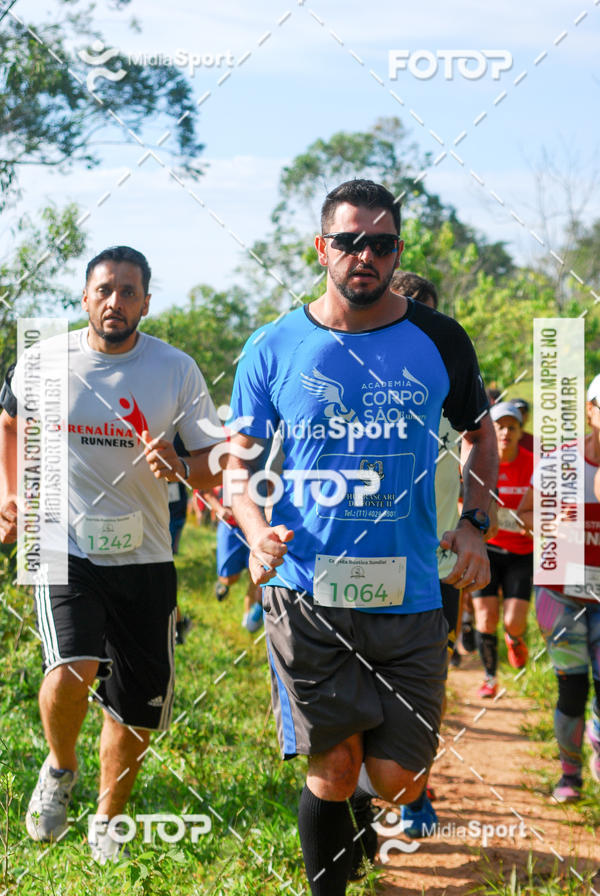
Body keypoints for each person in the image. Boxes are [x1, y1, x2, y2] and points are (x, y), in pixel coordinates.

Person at [226, 179, 498, 894]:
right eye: (349, 242)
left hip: (410, 590)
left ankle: (368, 831)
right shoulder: (274, 345)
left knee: (399, 781)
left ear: (396, 251)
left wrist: (473, 524)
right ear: (322, 249)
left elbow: (480, 433)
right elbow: (239, 465)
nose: (364, 256)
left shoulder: (440, 340)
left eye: (381, 244)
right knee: (335, 769)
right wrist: (255, 532)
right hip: (305, 589)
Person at [0, 245, 222, 861]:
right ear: (84, 297)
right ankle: (61, 768)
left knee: (138, 703)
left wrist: (178, 463)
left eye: (129, 292)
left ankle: (107, 819)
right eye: (104, 289)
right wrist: (12, 494)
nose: (115, 302)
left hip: (147, 555)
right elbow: (10, 421)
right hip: (62, 539)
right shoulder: (45, 359)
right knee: (74, 666)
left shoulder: (176, 370)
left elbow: (214, 464)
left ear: (147, 302)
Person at [518, 376, 600, 802]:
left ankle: (596, 747)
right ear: (589, 410)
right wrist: (555, 523)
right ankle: (570, 776)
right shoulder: (561, 462)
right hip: (562, 594)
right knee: (572, 686)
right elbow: (526, 512)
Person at [472, 401, 533, 698]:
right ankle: (489, 678)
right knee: (485, 618)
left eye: (513, 426)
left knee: (512, 621)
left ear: (522, 432)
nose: (506, 432)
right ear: (492, 431)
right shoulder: (480, 462)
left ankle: (514, 637)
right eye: (500, 426)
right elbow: (462, 502)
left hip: (522, 552)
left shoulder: (534, 464)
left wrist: (534, 520)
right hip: (488, 550)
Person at [199, 486, 263, 632]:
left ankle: (248, 619)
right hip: (230, 526)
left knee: (256, 576)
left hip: (257, 527)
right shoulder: (223, 465)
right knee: (229, 579)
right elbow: (206, 490)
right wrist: (219, 509)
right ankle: (224, 584)